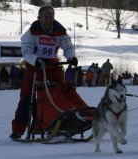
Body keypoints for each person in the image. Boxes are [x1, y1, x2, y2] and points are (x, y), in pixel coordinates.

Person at [10, 5, 86, 140]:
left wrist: (71, 57)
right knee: (27, 97)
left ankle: (74, 117)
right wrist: (36, 60)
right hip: (34, 67)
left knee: (62, 91)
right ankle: (18, 130)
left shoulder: (60, 32)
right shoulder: (31, 33)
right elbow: (26, 52)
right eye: (45, 17)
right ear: (39, 18)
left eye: (50, 17)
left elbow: (68, 47)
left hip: (53, 67)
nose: (48, 20)